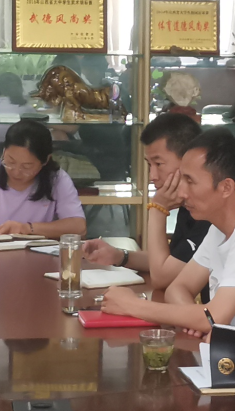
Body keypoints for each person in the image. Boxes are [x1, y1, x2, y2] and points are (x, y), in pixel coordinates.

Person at [102, 130, 235, 336]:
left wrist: (133, 305)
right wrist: (196, 319)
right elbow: (178, 288)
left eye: (190, 181)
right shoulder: (219, 228)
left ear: (226, 187)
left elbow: (214, 317)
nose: (182, 192)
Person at [80, 111, 205, 291]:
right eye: (149, 164)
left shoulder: (207, 212)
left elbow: (161, 277)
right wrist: (118, 256)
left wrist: (158, 209)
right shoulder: (188, 206)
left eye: (159, 164)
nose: (152, 176)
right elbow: (169, 261)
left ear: (188, 160)